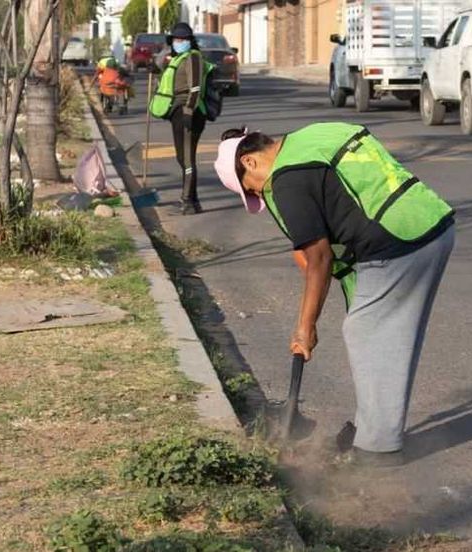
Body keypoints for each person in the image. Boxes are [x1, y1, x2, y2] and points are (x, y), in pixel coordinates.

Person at [213, 123, 455, 466]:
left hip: (398, 242)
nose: (256, 196)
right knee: (388, 333)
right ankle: (370, 426)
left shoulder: (286, 180)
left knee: (366, 333)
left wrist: (305, 327)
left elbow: (320, 258)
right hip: (431, 223)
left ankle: (376, 450)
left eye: (249, 189)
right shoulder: (311, 138)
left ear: (250, 162)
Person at [149, 22, 214, 215]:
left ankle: (187, 201)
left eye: (183, 39)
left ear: (190, 41)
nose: (179, 42)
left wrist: (188, 111)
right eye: (176, 39)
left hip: (189, 112)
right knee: (182, 157)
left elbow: (195, 88)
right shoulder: (179, 58)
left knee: (186, 158)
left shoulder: (194, 57)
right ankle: (193, 201)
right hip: (178, 112)